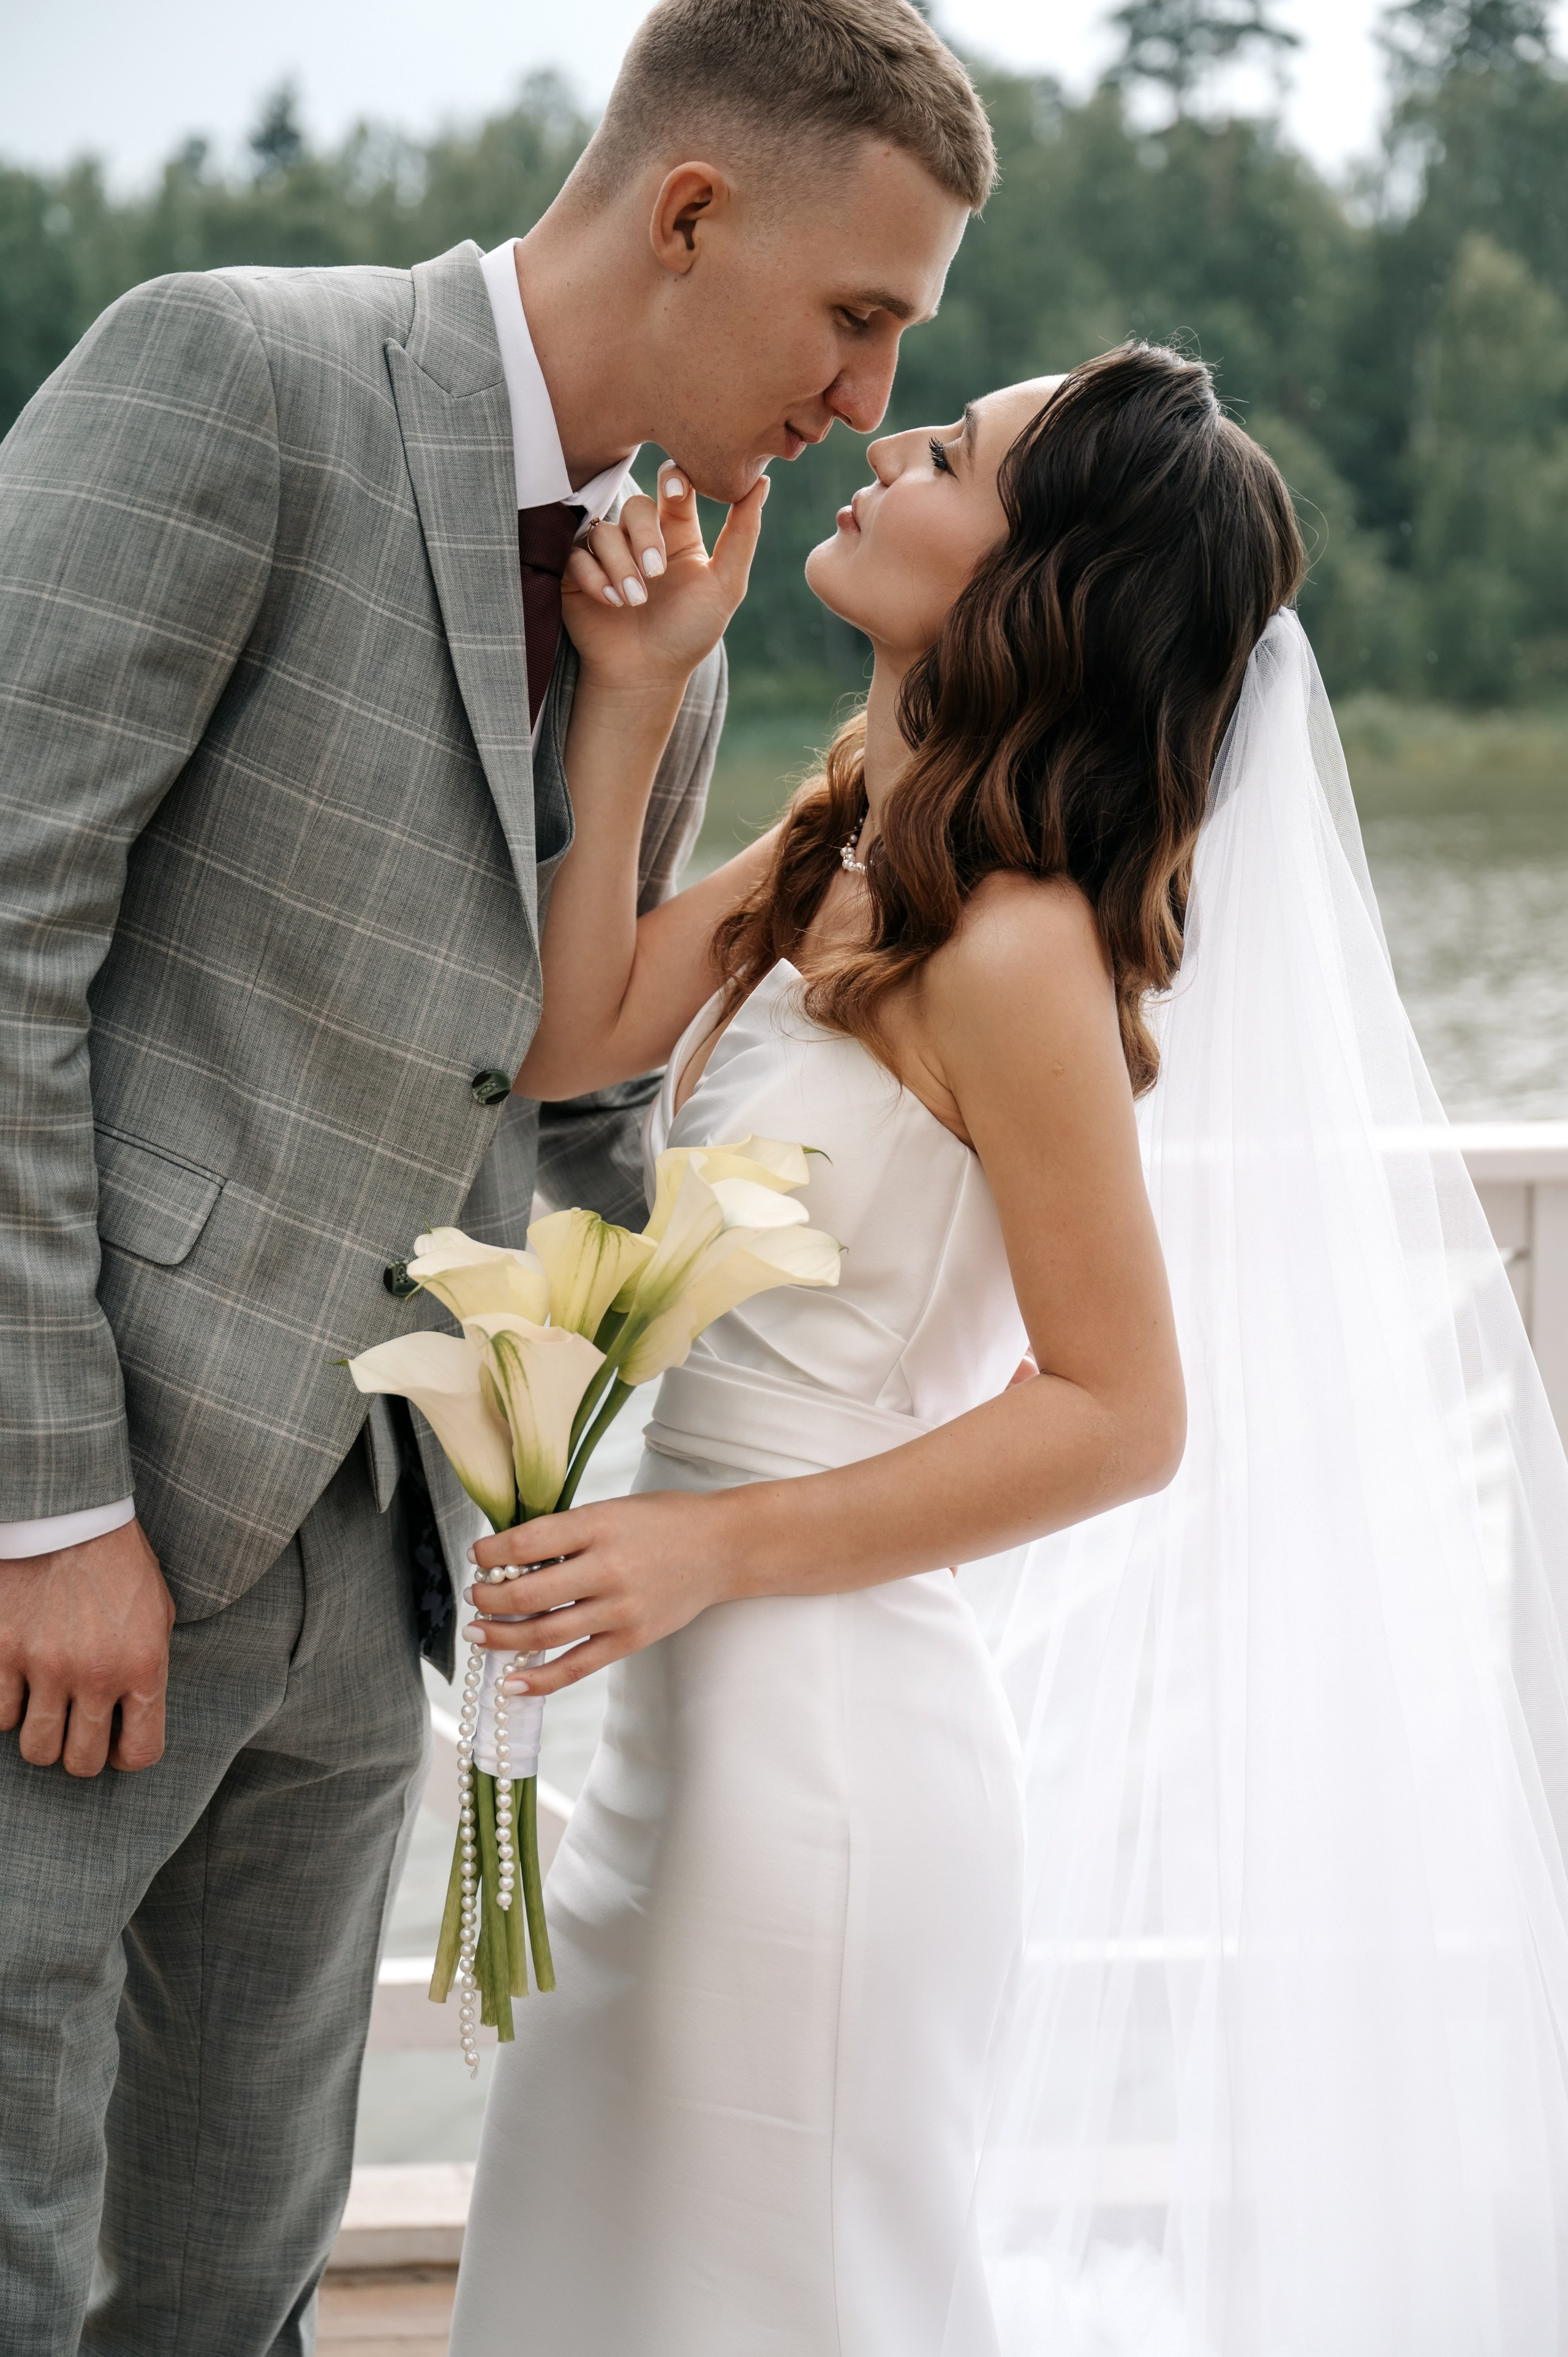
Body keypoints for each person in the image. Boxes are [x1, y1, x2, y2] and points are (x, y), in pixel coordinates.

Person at [0, 4, 993, 2348]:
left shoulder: (672, 623)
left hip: (374, 1585)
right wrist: (45, 1509)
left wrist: (542, 1496)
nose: (867, 398)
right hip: (81, 1556)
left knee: (234, 2279)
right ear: (691, 212)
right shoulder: (240, 375)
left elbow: (567, 1104)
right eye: (859, 316)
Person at [450, 342, 1568, 2354]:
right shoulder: (848, 844)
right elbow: (565, 1036)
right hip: (682, 1733)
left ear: (1033, 584)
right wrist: (630, 692)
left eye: (952, 454)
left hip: (822, 1764)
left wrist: (703, 1549)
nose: (890, 441)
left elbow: (1123, 1416)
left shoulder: (1017, 941)